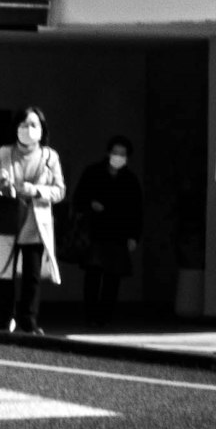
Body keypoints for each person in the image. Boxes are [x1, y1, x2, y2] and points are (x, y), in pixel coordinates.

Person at [0, 106, 67, 335]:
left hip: (35, 223)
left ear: (42, 129)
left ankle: (29, 321)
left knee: (32, 276)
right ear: (16, 128)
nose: (28, 129)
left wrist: (36, 190)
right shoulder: (4, 153)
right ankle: (5, 318)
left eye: (34, 124)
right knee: (4, 273)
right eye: (24, 125)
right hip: (7, 221)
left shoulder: (49, 157)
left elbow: (60, 190)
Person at [75, 135, 147, 329]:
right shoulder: (93, 173)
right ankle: (90, 315)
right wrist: (91, 204)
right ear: (108, 153)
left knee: (113, 278)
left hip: (118, 233)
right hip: (95, 232)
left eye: (122, 154)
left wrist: (134, 236)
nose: (118, 157)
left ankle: (104, 316)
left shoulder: (130, 180)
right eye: (115, 153)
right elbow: (78, 199)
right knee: (93, 274)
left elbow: (136, 210)